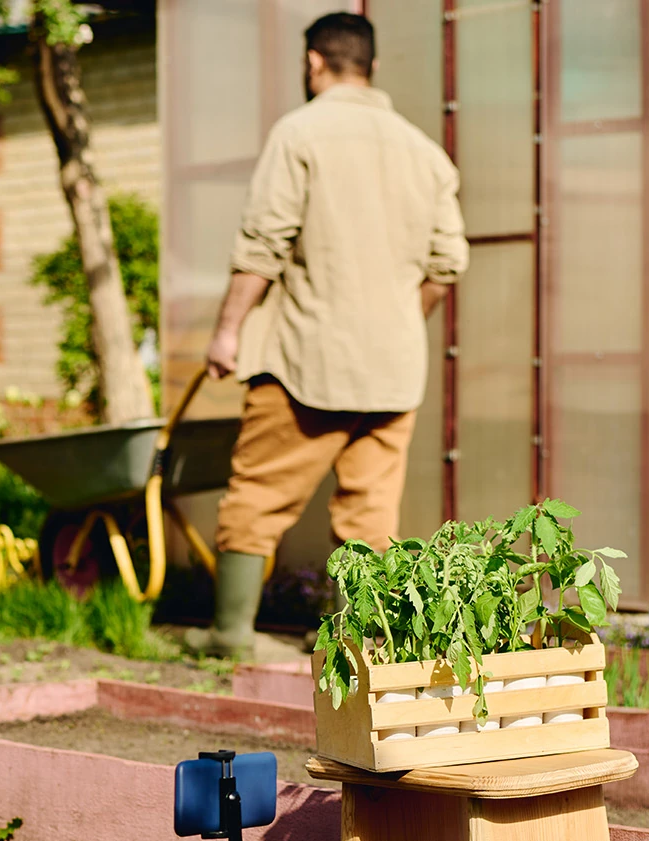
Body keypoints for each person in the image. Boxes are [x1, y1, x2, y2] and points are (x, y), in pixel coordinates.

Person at [186, 11, 468, 659]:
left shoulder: (300, 133)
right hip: (393, 369)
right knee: (371, 516)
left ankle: (230, 635)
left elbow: (263, 244)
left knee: (259, 493)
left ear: (314, 62)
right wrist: (399, 319)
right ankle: (356, 647)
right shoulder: (425, 152)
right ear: (371, 66)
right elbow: (448, 263)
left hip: (303, 359)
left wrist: (227, 333)